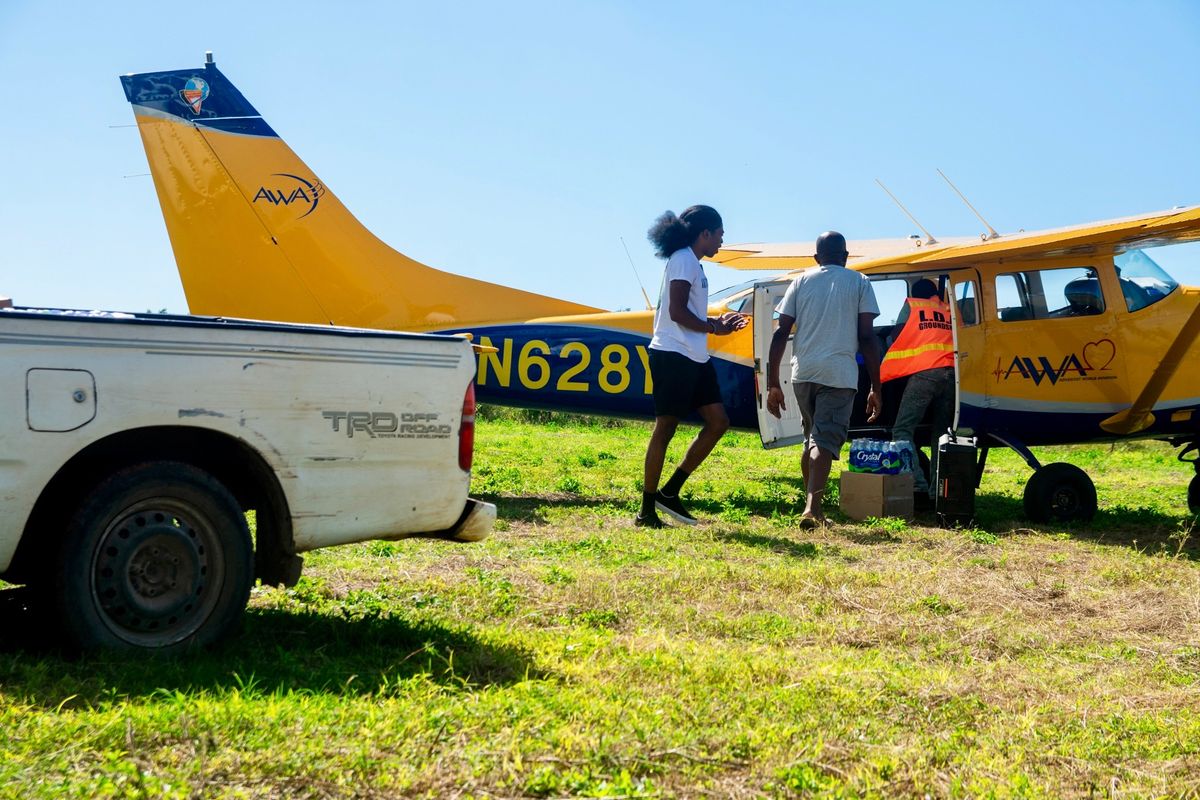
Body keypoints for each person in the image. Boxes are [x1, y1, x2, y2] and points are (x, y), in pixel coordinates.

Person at [637, 205, 747, 528]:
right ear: (705, 234)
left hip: (696, 356)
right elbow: (677, 312)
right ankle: (646, 510)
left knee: (718, 422)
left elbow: (689, 311)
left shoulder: (693, 263)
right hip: (673, 354)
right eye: (720, 235)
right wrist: (714, 327)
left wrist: (717, 323)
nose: (722, 241)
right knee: (665, 429)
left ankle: (670, 492)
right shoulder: (684, 259)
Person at [765, 231, 882, 528]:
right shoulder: (859, 282)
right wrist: (875, 387)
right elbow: (867, 337)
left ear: (816, 258)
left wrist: (772, 383)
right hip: (838, 375)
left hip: (803, 373)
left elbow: (780, 332)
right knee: (824, 440)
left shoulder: (800, 281)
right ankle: (812, 510)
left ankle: (811, 503)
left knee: (811, 439)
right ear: (846, 256)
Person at [882, 278, 955, 507]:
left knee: (902, 430)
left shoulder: (913, 305)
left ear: (914, 294)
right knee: (941, 435)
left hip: (925, 373)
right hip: (953, 375)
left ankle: (918, 485)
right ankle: (938, 492)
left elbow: (897, 335)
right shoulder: (949, 309)